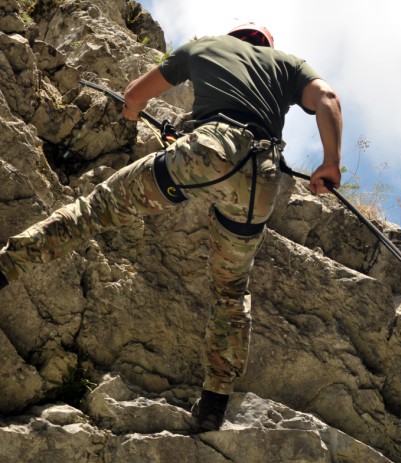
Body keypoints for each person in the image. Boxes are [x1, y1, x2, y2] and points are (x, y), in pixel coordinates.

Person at [0, 23, 343, 432]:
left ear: (234, 37)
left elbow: (135, 95)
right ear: (267, 45)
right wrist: (331, 163)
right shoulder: (287, 66)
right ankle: (214, 402)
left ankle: (7, 265)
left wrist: (131, 112)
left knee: (94, 210)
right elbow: (327, 98)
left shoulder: (204, 47)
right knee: (230, 291)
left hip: (207, 150)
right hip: (261, 180)